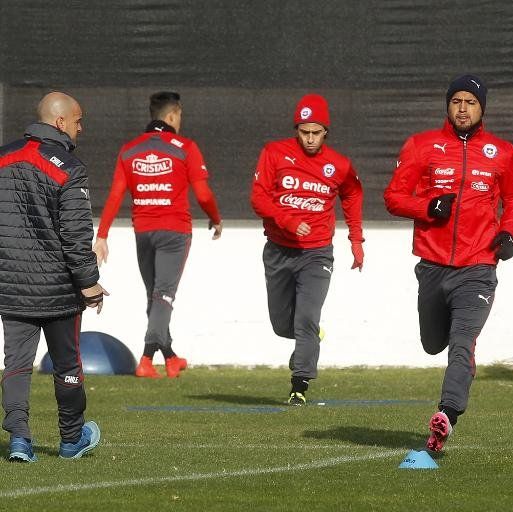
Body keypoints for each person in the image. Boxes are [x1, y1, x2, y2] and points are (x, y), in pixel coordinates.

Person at [384, 74, 513, 452]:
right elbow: (394, 197)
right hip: (432, 265)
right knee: (433, 344)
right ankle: (449, 389)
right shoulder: (422, 146)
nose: (463, 108)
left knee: (462, 343)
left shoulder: (502, 152)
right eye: (456, 101)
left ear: (482, 108)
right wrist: (427, 207)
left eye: (471, 102)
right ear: (447, 105)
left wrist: (509, 234)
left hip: (478, 267)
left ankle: (447, 414)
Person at [0, 92, 106, 462]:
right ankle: (71, 439)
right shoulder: (69, 167)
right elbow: (76, 235)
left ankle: (18, 441)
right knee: (67, 365)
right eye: (78, 120)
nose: (81, 127)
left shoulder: (3, 158)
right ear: (60, 122)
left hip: (11, 287)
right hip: (59, 291)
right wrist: (89, 283)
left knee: (15, 364)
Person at [94, 91, 222, 379]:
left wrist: (101, 235)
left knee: (154, 297)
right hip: (175, 233)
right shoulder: (185, 147)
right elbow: (203, 193)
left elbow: (115, 195)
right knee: (164, 296)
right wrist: (216, 218)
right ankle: (146, 358)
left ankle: (171, 357)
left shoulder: (130, 149)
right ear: (173, 116)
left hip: (144, 232)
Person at [251, 93, 364, 406]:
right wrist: (287, 220)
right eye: (304, 132)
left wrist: (356, 240)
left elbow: (353, 195)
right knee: (281, 325)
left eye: (316, 133)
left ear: (326, 131)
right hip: (278, 250)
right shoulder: (274, 153)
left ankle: (298, 385)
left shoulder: (339, 164)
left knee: (307, 319)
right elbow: (259, 198)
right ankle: (310, 336)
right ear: (296, 130)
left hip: (317, 253)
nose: (310, 139)